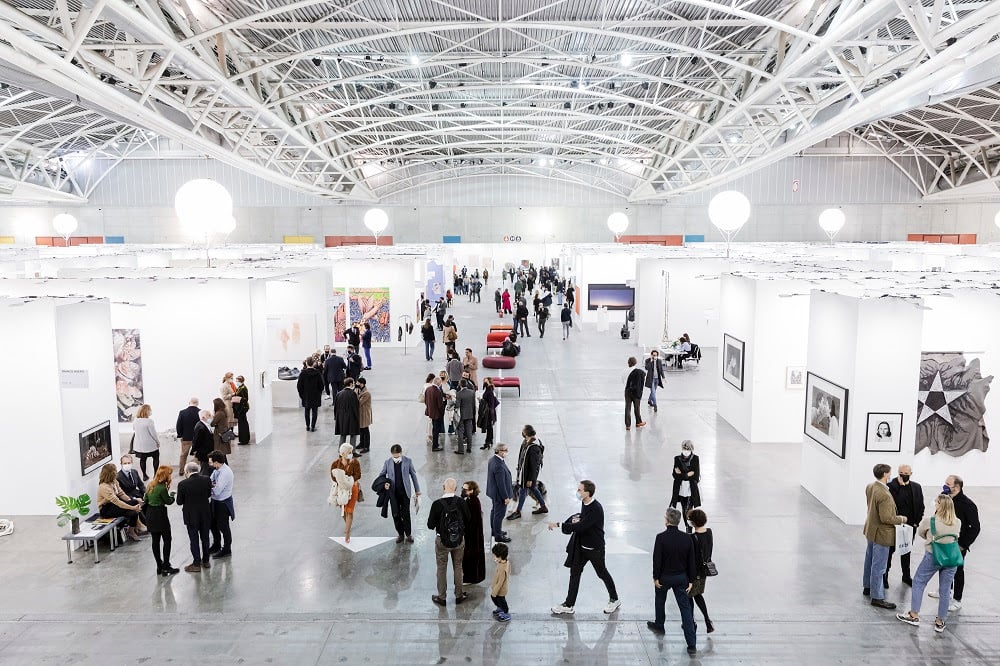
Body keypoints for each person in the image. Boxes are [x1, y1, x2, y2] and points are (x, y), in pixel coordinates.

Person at [549, 480, 621, 616]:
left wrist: (559, 525)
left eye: (580, 490)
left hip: (595, 549)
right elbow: (582, 519)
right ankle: (569, 605)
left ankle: (614, 599)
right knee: (574, 574)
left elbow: (581, 526)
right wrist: (573, 519)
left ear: (587, 493)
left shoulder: (596, 508)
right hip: (582, 548)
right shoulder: (584, 502)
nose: (577, 492)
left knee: (602, 573)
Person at [896, 494, 963, 633]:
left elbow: (921, 533)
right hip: (951, 559)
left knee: (919, 582)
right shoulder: (957, 522)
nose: (935, 504)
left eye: (936, 502)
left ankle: (913, 615)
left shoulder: (930, 521)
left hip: (933, 556)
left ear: (940, 506)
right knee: (945, 590)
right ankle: (940, 621)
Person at [647, 507, 698, 656]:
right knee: (685, 609)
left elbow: (657, 560)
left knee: (660, 599)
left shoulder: (661, 537)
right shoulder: (687, 538)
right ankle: (691, 644)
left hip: (665, 577)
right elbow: (691, 561)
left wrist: (655, 577)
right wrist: (691, 580)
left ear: (668, 520)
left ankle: (660, 625)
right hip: (682, 578)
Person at [929, 475, 980, 611]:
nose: (944, 485)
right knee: (943, 567)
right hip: (943, 542)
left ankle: (957, 599)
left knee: (957, 571)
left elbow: (975, 528)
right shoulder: (945, 499)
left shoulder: (967, 504)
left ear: (956, 487)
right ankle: (944, 591)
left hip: (958, 545)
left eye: (948, 484)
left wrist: (963, 545)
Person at [863, 463, 908, 609]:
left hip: (871, 530)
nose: (891, 475)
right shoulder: (884, 494)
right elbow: (886, 518)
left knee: (869, 560)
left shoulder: (871, 486)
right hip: (882, 534)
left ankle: (868, 587)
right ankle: (877, 597)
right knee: (879, 566)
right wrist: (902, 518)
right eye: (890, 473)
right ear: (885, 475)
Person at [427, 478, 472, 605]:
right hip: (458, 541)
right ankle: (459, 595)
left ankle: (442, 597)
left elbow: (430, 525)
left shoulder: (436, 504)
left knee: (441, 568)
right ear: (456, 489)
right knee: (458, 566)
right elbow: (468, 519)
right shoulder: (461, 502)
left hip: (442, 541)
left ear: (443, 487)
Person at [887, 465, 924, 587]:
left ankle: (906, 576)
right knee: (889, 551)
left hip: (910, 526)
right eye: (901, 472)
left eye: (906, 473)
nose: (903, 475)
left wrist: (916, 523)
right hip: (895, 525)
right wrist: (899, 485)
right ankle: (885, 576)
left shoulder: (916, 487)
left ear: (911, 473)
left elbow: (920, 506)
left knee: (906, 551)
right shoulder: (891, 486)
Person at [379, 444, 420, 543]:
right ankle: (400, 534)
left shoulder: (408, 461)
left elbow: (413, 476)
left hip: (405, 492)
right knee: (395, 514)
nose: (396, 458)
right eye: (394, 456)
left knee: (406, 514)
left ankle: (408, 534)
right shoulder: (387, 462)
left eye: (397, 456)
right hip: (393, 494)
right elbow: (382, 475)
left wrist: (417, 490)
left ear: (401, 453)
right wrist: (385, 483)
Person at [176, 461, 213, 572]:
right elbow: (208, 494)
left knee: (194, 540)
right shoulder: (207, 479)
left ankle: (196, 564)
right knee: (205, 538)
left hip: (191, 516)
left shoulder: (182, 484)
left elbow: (179, 501)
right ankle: (206, 561)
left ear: (187, 472)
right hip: (205, 514)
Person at [144, 465, 178, 576]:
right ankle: (166, 565)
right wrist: (172, 494)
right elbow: (168, 501)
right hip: (160, 514)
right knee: (167, 539)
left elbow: (145, 499)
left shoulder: (150, 485)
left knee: (155, 540)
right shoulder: (162, 488)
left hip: (150, 514)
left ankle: (159, 565)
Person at [507, 425, 547, 520]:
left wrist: (530, 479)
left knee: (523, 490)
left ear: (526, 433)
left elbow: (533, 466)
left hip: (527, 474)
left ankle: (518, 512)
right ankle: (543, 507)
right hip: (524, 472)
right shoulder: (527, 442)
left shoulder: (533, 448)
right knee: (533, 488)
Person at [96, 463, 143, 541]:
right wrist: (132, 506)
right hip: (106, 509)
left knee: (133, 512)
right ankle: (139, 525)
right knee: (134, 505)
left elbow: (121, 494)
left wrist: (130, 501)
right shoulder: (104, 487)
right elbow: (117, 502)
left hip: (115, 505)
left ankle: (131, 531)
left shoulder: (114, 482)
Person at [687, 508, 715, 634]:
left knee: (690, 596)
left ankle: (692, 622)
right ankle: (707, 621)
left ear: (692, 523)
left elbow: (691, 558)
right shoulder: (709, 532)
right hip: (704, 571)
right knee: (697, 595)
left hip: (693, 572)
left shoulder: (692, 538)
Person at [330, 443, 361, 542]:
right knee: (343, 510)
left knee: (350, 510)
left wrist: (348, 480)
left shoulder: (355, 462)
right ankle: (348, 525)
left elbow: (358, 475)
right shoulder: (335, 464)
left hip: (353, 488)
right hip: (341, 490)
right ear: (343, 453)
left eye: (351, 452)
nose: (351, 454)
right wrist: (341, 481)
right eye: (349, 452)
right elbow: (333, 477)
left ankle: (347, 532)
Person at [207, 451, 235, 559]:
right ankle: (216, 545)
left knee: (224, 527)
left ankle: (227, 549)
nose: (209, 464)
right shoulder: (217, 470)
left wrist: (212, 486)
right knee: (212, 524)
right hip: (215, 502)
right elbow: (210, 481)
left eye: (211, 462)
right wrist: (212, 485)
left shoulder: (225, 473)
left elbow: (217, 490)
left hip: (222, 504)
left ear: (217, 462)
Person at [670, 441, 701, 532]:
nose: (685, 450)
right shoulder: (677, 458)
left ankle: (689, 528)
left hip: (690, 489)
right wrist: (687, 475)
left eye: (687, 449)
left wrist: (682, 474)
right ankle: (688, 527)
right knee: (681, 509)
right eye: (684, 448)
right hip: (680, 489)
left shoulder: (695, 459)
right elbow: (674, 475)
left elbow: (696, 477)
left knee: (687, 509)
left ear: (691, 449)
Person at [486, 443, 514, 543]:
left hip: (494, 493)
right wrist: (505, 497)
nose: (506, 452)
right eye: (505, 450)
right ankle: (498, 536)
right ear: (499, 451)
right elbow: (501, 484)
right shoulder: (499, 466)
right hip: (500, 495)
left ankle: (495, 531)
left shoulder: (493, 460)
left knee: (494, 512)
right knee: (499, 515)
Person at [461, 480, 486, 586]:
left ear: (471, 490)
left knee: (470, 555)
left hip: (472, 534)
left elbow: (469, 519)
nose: (463, 490)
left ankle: (470, 578)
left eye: (465, 489)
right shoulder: (472, 500)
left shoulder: (472, 502)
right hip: (474, 533)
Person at [131, 404, 161, 482]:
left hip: (140, 445)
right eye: (150, 410)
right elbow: (153, 434)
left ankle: (144, 475)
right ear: (147, 411)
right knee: (156, 458)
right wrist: (158, 441)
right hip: (150, 445)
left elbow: (134, 429)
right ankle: (155, 475)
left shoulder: (135, 420)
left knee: (143, 460)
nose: (151, 411)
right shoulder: (149, 421)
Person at [297, 357, 324, 432]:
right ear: (314, 363)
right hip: (316, 395)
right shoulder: (317, 372)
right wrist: (319, 392)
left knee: (307, 410)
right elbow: (321, 385)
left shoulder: (303, 373)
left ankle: (307, 426)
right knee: (315, 411)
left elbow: (299, 386)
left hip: (306, 395)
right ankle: (313, 426)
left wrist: (302, 395)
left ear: (306, 363)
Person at [334, 378, 361, 449]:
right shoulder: (353, 394)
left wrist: (336, 417)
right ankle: (352, 451)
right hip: (351, 418)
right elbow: (356, 407)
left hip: (341, 418)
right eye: (353, 383)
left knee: (343, 435)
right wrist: (357, 418)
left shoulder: (338, 394)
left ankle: (341, 451)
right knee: (353, 435)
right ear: (351, 384)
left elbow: (335, 407)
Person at [175, 397, 200, 470]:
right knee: (196, 455)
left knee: (183, 454)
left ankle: (181, 470)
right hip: (197, 438)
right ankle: (195, 471)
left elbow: (178, 425)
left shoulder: (182, 412)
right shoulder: (200, 412)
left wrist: (180, 435)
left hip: (186, 437)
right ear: (197, 403)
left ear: (189, 402)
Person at [623, 357, 646, 430]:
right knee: (637, 407)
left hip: (627, 391)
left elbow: (623, 381)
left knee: (627, 408)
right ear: (635, 362)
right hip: (636, 392)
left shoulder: (624, 371)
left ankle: (628, 425)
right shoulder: (638, 371)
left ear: (628, 363)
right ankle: (638, 422)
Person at [491, 543, 512, 622]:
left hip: (500, 590)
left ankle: (506, 613)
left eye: (496, 556)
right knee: (499, 600)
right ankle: (500, 608)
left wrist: (494, 592)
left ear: (500, 556)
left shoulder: (503, 568)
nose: (494, 558)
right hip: (498, 588)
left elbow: (500, 582)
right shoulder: (504, 562)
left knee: (500, 600)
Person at [425, 376, 446, 451]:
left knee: (434, 429)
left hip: (431, 412)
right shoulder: (437, 391)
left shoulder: (428, 389)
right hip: (437, 414)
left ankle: (435, 444)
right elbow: (440, 405)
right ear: (439, 383)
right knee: (436, 430)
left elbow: (426, 401)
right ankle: (435, 446)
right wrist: (442, 413)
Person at [478, 378, 500, 450]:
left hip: (488, 413)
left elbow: (491, 403)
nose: (484, 382)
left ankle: (488, 442)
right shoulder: (489, 389)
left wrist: (481, 400)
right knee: (489, 427)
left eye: (485, 381)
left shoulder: (489, 391)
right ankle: (489, 441)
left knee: (488, 427)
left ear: (489, 382)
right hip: (489, 412)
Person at [455, 381, 476, 454]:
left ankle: (460, 450)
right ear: (466, 385)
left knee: (460, 432)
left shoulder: (459, 394)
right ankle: (469, 448)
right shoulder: (472, 392)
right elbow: (473, 404)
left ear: (460, 385)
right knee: (469, 432)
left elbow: (457, 406)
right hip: (470, 414)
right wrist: (473, 414)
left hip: (461, 415)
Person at [191, 410, 215, 475]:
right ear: (203, 417)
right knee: (205, 470)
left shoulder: (205, 425)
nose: (210, 417)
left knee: (208, 470)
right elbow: (196, 440)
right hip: (204, 453)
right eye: (208, 415)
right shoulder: (200, 426)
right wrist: (194, 450)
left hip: (208, 452)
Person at [232, 375, 250, 445]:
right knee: (241, 423)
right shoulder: (240, 387)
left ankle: (244, 440)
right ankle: (243, 439)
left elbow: (245, 399)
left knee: (243, 424)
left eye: (238, 381)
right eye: (236, 381)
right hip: (239, 408)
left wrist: (237, 398)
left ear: (241, 381)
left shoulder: (243, 388)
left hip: (242, 409)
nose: (236, 382)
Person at [356, 377, 373, 454]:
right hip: (361, 414)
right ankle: (361, 443)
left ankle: (366, 446)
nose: (356, 384)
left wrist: (356, 394)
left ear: (362, 383)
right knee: (361, 429)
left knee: (365, 430)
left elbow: (359, 403)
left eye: (358, 383)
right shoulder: (360, 390)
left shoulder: (366, 393)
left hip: (365, 414)